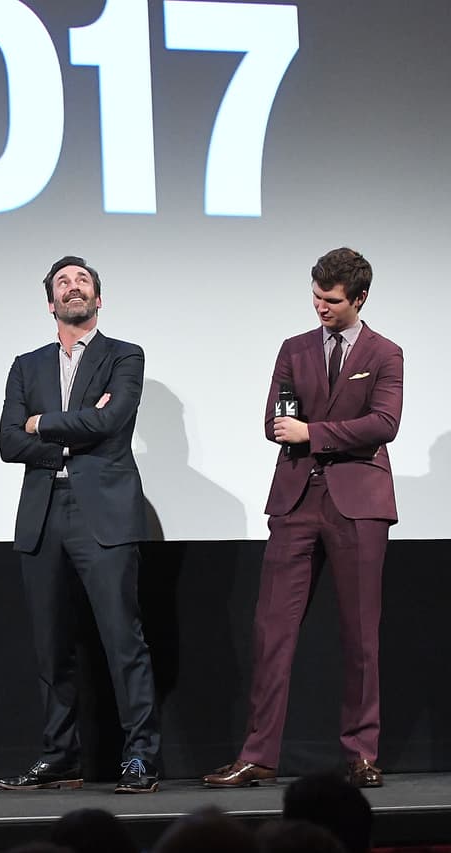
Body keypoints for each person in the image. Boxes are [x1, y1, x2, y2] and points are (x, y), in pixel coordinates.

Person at [204, 248, 401, 790]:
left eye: (332, 301)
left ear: (358, 299)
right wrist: (290, 427)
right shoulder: (293, 349)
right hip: (295, 501)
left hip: (358, 504)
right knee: (272, 632)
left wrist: (314, 434)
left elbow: (383, 422)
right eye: (315, 297)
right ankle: (259, 754)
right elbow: (277, 416)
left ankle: (360, 752)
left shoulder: (386, 353)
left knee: (361, 635)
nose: (320, 308)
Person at [0, 255, 160, 794]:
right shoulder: (27, 364)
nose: (73, 287)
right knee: (51, 647)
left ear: (97, 298)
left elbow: (113, 422)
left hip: (104, 514)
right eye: (62, 283)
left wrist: (43, 424)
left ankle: (140, 756)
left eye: (82, 281)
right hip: (44, 512)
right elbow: (8, 442)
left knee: (122, 640)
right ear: (50, 302)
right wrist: (71, 431)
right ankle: (59, 755)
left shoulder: (124, 355)